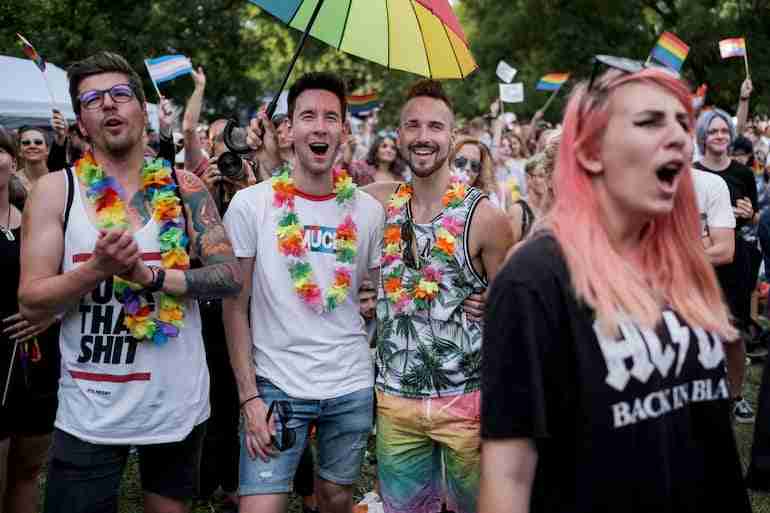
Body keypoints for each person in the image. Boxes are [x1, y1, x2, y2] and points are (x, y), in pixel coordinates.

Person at [480, 66, 750, 513]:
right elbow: (508, 475)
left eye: (683, 124)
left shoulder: (681, 263)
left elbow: (708, 439)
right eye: (650, 122)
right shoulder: (534, 279)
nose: (680, 138)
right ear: (589, 152)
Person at [17, 51, 243, 513]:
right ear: (80, 121)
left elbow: (227, 277)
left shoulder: (186, 189)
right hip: (89, 411)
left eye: (120, 94)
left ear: (144, 109)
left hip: (176, 406)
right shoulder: (56, 191)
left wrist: (150, 277)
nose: (109, 105)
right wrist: (95, 269)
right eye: (93, 100)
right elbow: (30, 299)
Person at [223, 72, 385, 513]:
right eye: (308, 115)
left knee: (334, 499)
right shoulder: (252, 205)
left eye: (331, 117)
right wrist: (249, 397)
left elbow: (391, 293)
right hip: (276, 387)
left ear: (344, 131)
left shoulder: (368, 212)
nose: (320, 126)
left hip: (350, 385)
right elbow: (235, 308)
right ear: (288, 129)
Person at [363, 80, 514, 513]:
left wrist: (495, 303)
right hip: (395, 402)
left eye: (434, 126)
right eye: (412, 125)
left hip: (467, 401)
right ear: (398, 134)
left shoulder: (487, 218)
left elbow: (509, 316)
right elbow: (310, 200)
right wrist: (267, 153)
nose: (423, 136)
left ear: (452, 135)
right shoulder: (378, 203)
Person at [0, 127, 59, 513]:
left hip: (39, 362)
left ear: (12, 159)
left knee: (27, 471)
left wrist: (54, 311)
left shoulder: (37, 220)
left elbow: (66, 278)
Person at [693, 108, 758, 423]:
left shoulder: (742, 174)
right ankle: (703, 392)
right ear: (702, 135)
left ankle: (736, 395)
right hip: (701, 262)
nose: (719, 136)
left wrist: (748, 214)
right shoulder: (691, 173)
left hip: (735, 260)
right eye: (713, 131)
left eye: (723, 131)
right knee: (700, 329)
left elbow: (754, 216)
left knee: (733, 332)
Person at [450, 136, 500, 206]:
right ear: (449, 162)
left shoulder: (489, 201)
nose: (467, 168)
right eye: (461, 162)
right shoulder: (434, 192)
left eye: (474, 165)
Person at [14, 126, 50, 198]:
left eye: (38, 142)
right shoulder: (11, 182)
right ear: (19, 151)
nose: (32, 146)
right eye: (26, 143)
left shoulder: (58, 179)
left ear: (47, 150)